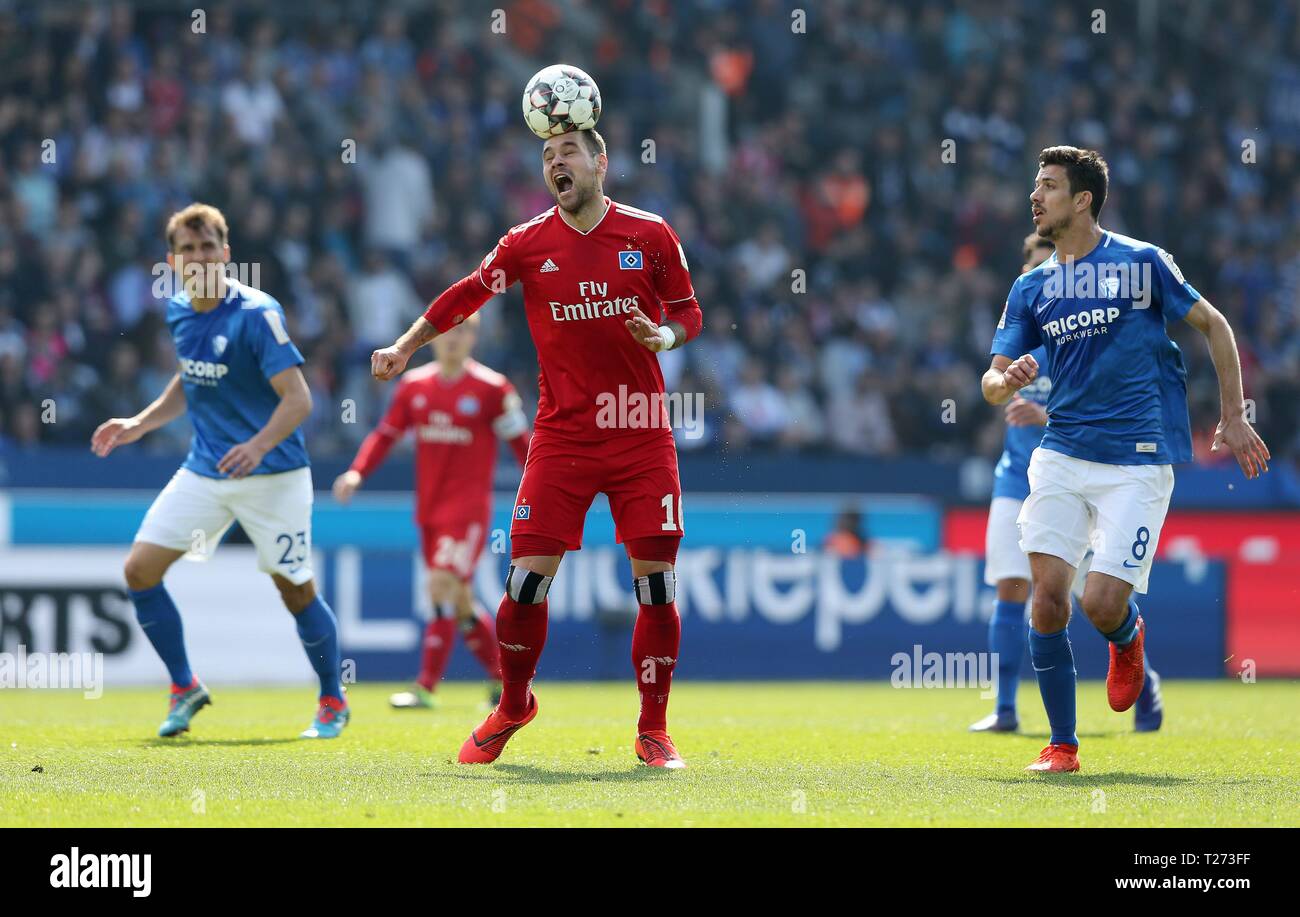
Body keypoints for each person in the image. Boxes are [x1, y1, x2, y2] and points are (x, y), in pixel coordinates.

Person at [371, 128, 703, 768]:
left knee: (656, 587)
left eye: (569, 153)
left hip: (639, 431)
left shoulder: (650, 234)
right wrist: (408, 344)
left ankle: (653, 730)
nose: (557, 164)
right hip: (563, 435)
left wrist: (663, 337)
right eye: (548, 157)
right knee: (524, 585)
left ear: (601, 163)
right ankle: (513, 703)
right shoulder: (526, 244)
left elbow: (690, 313)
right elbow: (467, 292)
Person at [984, 147, 1270, 773]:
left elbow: (1215, 326)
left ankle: (1127, 638)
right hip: (1061, 452)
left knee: (1102, 603)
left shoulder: (1141, 264)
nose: (1035, 197)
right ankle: (1062, 745)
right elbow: (991, 379)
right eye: (1035, 186)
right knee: (1049, 597)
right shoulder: (1031, 285)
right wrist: (1006, 383)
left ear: (1082, 199)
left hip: (1137, 459)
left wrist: (1233, 415)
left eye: (1049, 186)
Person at [92, 203, 347, 739]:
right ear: (173, 260)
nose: (200, 257)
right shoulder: (179, 310)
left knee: (294, 589)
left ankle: (332, 698)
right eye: (188, 249)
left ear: (226, 253)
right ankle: (185, 687)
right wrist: (140, 422)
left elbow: (299, 401)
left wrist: (256, 446)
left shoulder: (257, 314)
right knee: (139, 571)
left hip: (272, 474)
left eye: (209, 246)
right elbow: (190, 379)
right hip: (206, 470)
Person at [972, 234, 1165, 735]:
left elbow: (1106, 399)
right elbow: (990, 389)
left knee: (1096, 601)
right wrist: (1003, 385)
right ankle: (1007, 708)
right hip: (1018, 480)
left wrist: (1047, 412)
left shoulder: (1084, 336)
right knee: (1013, 589)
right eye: (1039, 268)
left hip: (1084, 476)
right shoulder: (1017, 332)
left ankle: (1143, 681)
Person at [333, 313, 530, 709]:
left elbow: (522, 445)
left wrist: (544, 488)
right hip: (429, 510)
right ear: (434, 339)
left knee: (440, 585)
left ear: (474, 337)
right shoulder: (413, 386)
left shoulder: (494, 388)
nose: (454, 339)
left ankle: (425, 687)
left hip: (469, 511)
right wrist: (356, 472)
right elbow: (385, 434)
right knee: (458, 601)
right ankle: (503, 682)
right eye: (447, 332)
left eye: (464, 331)